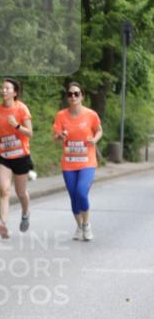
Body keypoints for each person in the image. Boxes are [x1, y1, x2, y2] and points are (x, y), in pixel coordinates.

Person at [52, 82, 102, 241]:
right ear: (67, 97)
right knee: (73, 196)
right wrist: (61, 136)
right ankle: (79, 226)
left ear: (82, 96)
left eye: (76, 94)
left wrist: (94, 140)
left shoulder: (91, 115)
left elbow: (99, 130)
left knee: (81, 192)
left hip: (87, 161)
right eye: (70, 94)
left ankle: (87, 225)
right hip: (69, 162)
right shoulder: (61, 115)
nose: (73, 96)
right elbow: (55, 137)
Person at [0, 78, 33, 239]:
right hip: (3, 155)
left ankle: (25, 212)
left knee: (20, 192)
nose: (3, 90)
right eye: (2, 88)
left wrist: (17, 126)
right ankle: (3, 224)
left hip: (21, 155)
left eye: (7, 88)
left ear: (15, 93)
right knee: (4, 191)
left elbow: (30, 133)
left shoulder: (21, 109)